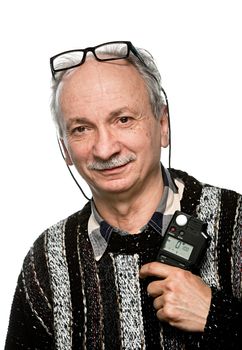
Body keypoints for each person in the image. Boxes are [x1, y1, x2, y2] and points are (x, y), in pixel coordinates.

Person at [5, 41, 241, 349]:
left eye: (123, 119)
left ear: (163, 123)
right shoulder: (47, 260)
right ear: (65, 149)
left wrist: (217, 316)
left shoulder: (235, 222)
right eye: (81, 129)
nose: (105, 148)